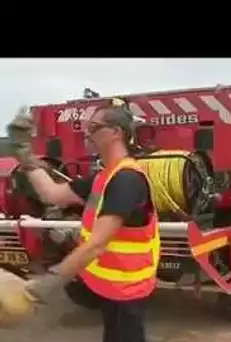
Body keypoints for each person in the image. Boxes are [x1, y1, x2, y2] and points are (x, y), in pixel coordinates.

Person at [6, 102, 160, 342]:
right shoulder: (103, 178)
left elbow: (97, 244)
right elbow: (52, 194)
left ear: (116, 133)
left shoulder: (127, 179)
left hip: (127, 291)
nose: (87, 133)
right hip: (110, 289)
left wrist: (53, 280)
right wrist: (25, 157)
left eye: (95, 127)